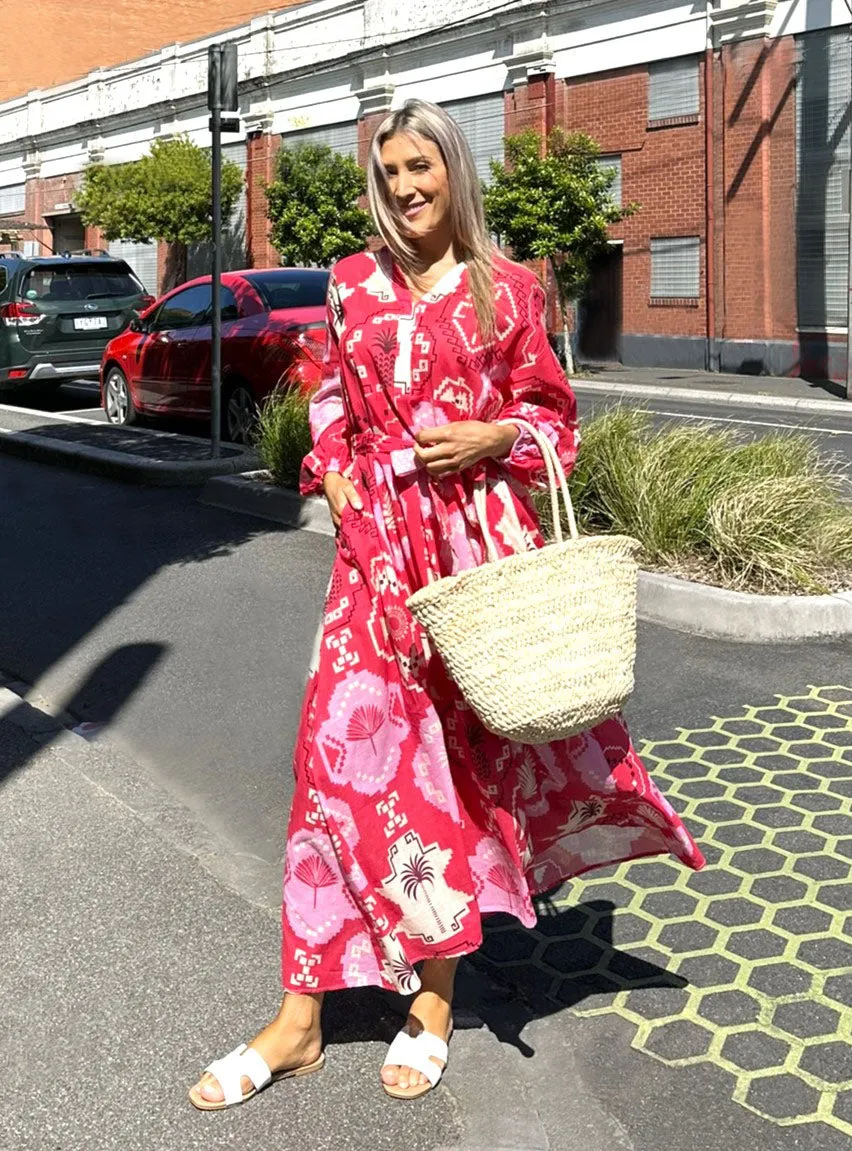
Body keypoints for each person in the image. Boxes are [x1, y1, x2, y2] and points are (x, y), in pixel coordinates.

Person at [189, 99, 705, 1109]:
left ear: (453, 172)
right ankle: (300, 1017)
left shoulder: (506, 292)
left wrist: (491, 439)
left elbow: (558, 430)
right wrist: (332, 473)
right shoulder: (348, 286)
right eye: (389, 174)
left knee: (454, 780)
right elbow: (327, 405)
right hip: (377, 564)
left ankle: (433, 998)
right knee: (331, 771)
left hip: (478, 570)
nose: (406, 188)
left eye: (420, 167)